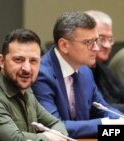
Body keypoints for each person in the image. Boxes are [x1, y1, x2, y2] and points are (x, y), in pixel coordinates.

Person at [31, 11, 124, 139]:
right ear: (64, 45)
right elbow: (54, 127)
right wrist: (105, 124)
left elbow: (103, 109)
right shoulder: (41, 75)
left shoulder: (85, 70)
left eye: (97, 40)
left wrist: (120, 120)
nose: (96, 48)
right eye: (89, 42)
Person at [0, 29, 68, 141]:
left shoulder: (25, 90)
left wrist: (54, 136)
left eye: (33, 61)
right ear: (1, 61)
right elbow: (15, 140)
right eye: (18, 60)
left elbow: (57, 125)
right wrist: (50, 138)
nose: (27, 68)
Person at [85, 10, 124, 112]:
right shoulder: (78, 71)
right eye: (101, 39)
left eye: (110, 39)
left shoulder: (102, 68)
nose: (107, 45)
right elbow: (98, 108)